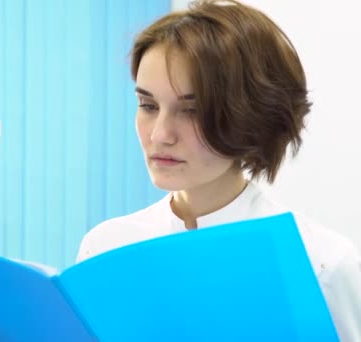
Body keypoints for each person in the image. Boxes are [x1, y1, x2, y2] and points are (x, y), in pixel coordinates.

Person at [76, 0, 361, 340]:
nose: (159, 135)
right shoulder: (106, 249)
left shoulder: (321, 265)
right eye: (148, 105)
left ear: (252, 116)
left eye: (191, 111)